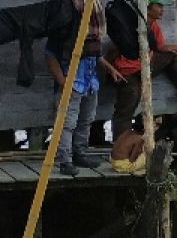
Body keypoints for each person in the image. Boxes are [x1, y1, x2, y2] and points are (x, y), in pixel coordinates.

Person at [107, 0, 177, 138]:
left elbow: (161, 47)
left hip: (145, 66)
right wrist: (111, 69)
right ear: (148, 8)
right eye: (159, 6)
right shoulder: (130, 24)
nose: (162, 10)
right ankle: (121, 142)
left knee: (170, 55)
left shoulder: (153, 25)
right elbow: (112, 52)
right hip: (127, 72)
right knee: (129, 102)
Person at [44, 30, 121, 176]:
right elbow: (50, 54)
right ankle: (65, 161)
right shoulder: (64, 28)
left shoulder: (92, 30)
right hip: (71, 83)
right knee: (67, 124)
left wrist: (110, 69)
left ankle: (80, 154)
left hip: (89, 82)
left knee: (86, 120)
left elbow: (96, 55)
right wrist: (62, 81)